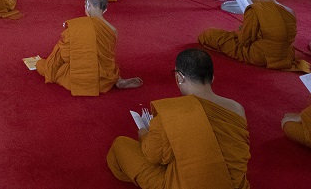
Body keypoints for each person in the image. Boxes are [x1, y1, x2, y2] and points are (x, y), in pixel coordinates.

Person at [107, 49, 250, 189]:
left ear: (179, 77)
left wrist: (144, 134)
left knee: (121, 145)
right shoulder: (237, 109)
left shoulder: (173, 111)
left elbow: (153, 155)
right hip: (231, 185)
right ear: (212, 77)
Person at [36, 0, 142, 96]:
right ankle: (117, 79)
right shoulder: (113, 30)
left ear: (88, 4)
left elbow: (66, 56)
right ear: (105, 8)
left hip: (82, 78)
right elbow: (107, 57)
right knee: (109, 65)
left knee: (43, 65)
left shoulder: (77, 26)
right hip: (105, 80)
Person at [198, 0, 310, 72]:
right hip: (287, 56)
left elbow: (244, 40)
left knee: (210, 34)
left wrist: (241, 31)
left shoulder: (256, 9)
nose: (252, 1)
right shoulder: (290, 11)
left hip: (262, 56)